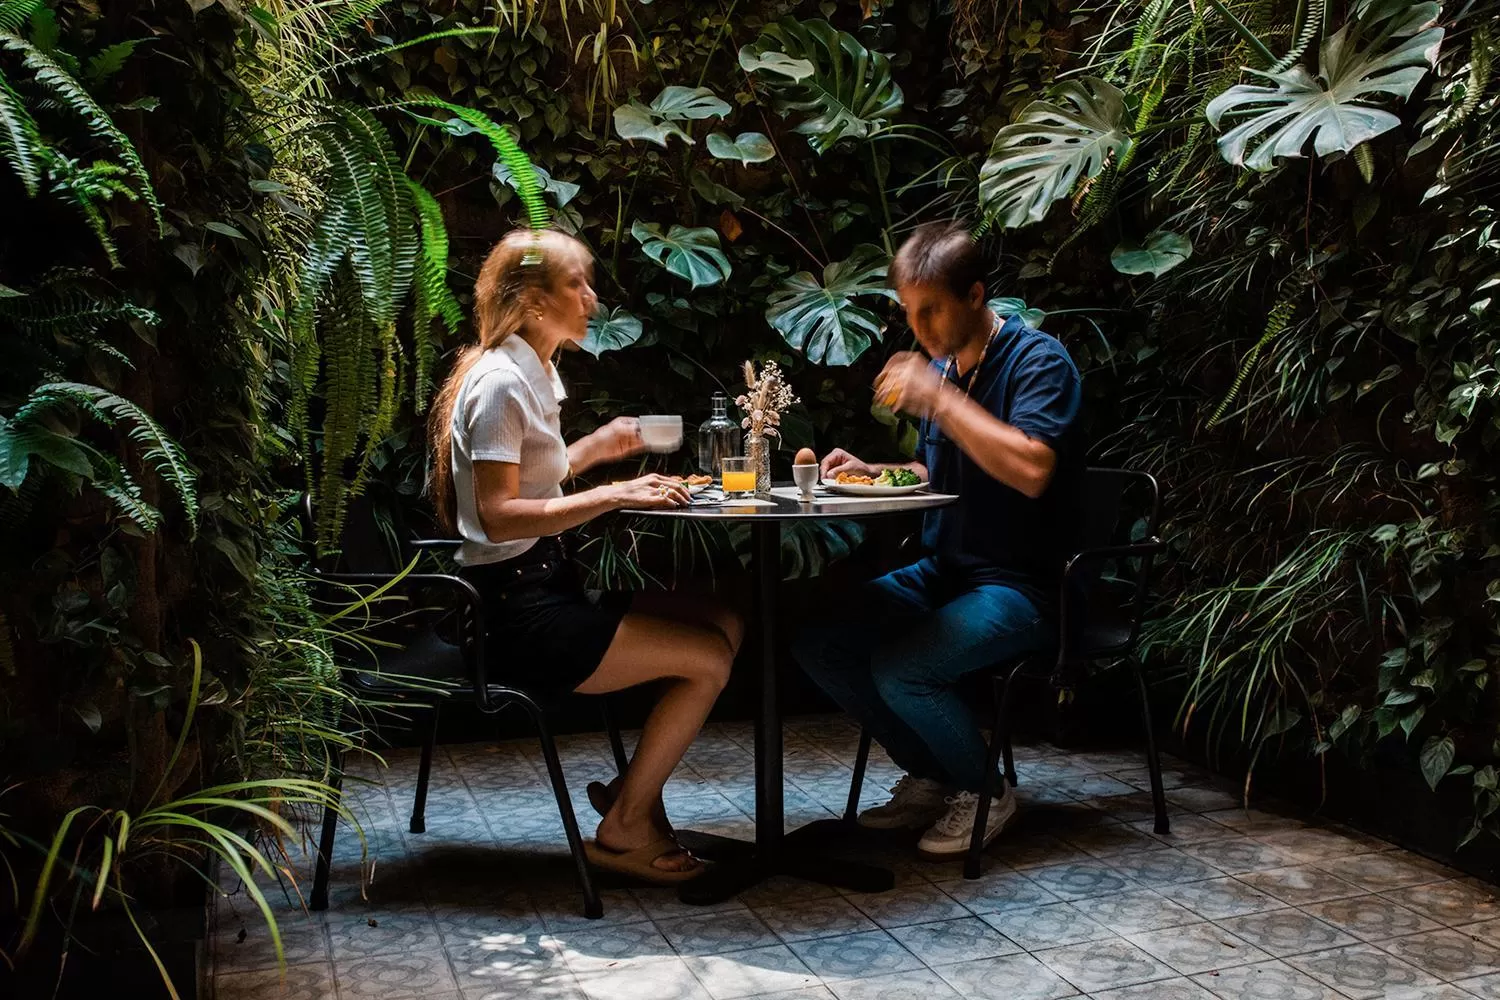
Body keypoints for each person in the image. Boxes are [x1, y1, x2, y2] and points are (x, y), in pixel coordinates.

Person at [427, 228, 743, 883]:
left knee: (724, 623)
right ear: (535, 302)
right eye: (577, 283)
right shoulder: (498, 385)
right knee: (708, 660)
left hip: (548, 588)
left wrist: (595, 449)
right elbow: (498, 514)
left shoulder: (534, 370)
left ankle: (633, 791)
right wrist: (614, 493)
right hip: (514, 616)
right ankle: (624, 826)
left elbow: (533, 480)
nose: (592, 298)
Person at [793, 221, 1085, 858]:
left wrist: (941, 400)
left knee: (905, 668)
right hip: (947, 569)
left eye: (932, 309)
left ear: (976, 295)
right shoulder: (949, 369)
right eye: (908, 312)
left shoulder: (1038, 362)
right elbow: (941, 472)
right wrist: (878, 473)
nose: (919, 328)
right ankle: (932, 774)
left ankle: (984, 790)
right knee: (822, 642)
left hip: (1025, 584)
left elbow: (1032, 469)